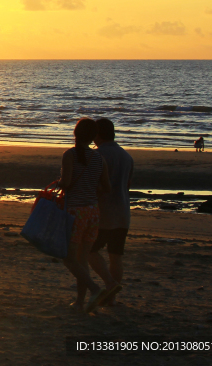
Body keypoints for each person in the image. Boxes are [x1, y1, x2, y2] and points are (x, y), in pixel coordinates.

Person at [60, 118, 113, 313]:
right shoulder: (99, 159)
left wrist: (60, 182)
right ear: (93, 137)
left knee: (69, 258)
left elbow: (66, 183)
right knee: (82, 259)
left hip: (75, 212)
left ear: (75, 133)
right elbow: (107, 187)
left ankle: (95, 288)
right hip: (93, 212)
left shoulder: (70, 155)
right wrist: (91, 186)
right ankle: (80, 302)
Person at [88, 118, 133, 307]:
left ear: (97, 135)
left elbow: (94, 185)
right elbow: (127, 184)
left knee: (89, 250)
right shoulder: (126, 156)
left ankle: (110, 283)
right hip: (122, 211)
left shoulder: (97, 156)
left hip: (104, 212)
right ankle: (112, 296)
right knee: (116, 256)